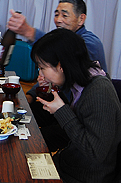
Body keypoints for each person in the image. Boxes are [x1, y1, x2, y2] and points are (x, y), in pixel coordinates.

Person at [31, 28, 121, 183]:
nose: (41, 73)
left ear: (60, 66)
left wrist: (61, 111)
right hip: (69, 163)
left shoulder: (99, 91)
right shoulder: (82, 80)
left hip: (84, 176)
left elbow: (95, 152)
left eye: (42, 67)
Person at [7, 0, 107, 104]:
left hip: (85, 105)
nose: (58, 20)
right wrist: (31, 95)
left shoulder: (90, 42)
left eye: (65, 15)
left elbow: (64, 57)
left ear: (81, 19)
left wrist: (30, 33)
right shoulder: (63, 40)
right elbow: (51, 74)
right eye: (56, 15)